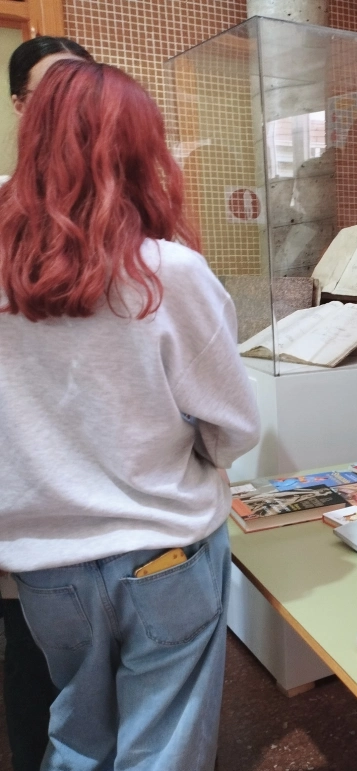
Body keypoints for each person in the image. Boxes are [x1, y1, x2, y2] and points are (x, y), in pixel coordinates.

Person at [0, 59, 260, 771]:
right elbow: (232, 428)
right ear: (141, 151)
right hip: (163, 552)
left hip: (45, 568)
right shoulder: (167, 272)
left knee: (77, 738)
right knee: (163, 748)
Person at [1, 34, 94, 771]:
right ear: (20, 107)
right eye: (48, 94)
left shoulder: (127, 220)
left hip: (115, 518)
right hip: (27, 509)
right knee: (35, 672)